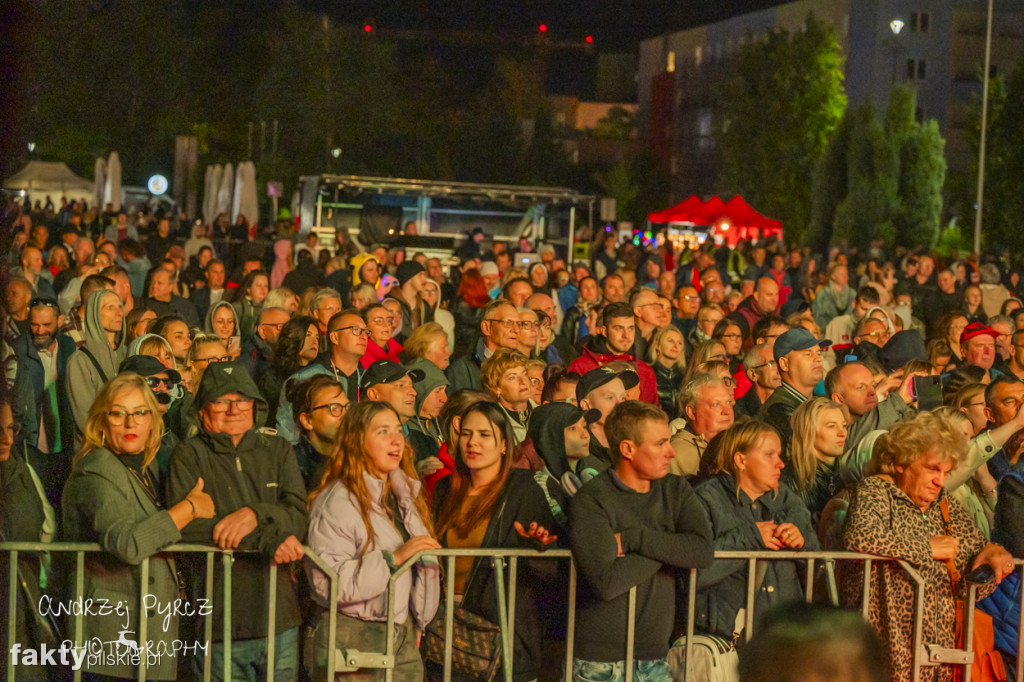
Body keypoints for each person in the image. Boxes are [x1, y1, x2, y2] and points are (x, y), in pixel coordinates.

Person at [61, 373, 215, 680]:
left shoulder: (148, 467)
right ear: (101, 421)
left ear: (152, 418)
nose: (130, 423)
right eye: (118, 413)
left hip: (148, 635)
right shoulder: (97, 469)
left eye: (140, 412)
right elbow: (128, 543)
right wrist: (189, 509)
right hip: (112, 643)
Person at [842, 410, 1014, 682]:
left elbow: (972, 580)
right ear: (901, 462)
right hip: (884, 640)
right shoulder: (876, 490)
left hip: (939, 648)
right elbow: (860, 536)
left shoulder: (944, 504)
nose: (940, 481)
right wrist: (927, 549)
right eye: (933, 468)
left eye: (946, 472)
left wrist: (992, 558)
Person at [167, 361, 308, 682]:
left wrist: (256, 514)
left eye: (242, 399)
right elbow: (187, 527)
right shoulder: (188, 456)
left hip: (279, 619)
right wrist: (268, 539)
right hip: (219, 624)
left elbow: (299, 516)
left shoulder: (278, 450)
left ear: (255, 405)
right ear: (202, 411)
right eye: (221, 401)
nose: (234, 409)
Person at [570, 400, 713, 682]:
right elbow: (607, 582)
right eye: (660, 444)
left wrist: (636, 539)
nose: (671, 452)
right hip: (599, 662)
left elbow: (701, 551)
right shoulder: (591, 498)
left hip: (654, 656)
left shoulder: (675, 489)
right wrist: (671, 545)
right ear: (627, 449)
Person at [305, 401, 441, 681]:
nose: (396, 440)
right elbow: (327, 582)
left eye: (397, 430)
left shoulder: (405, 495)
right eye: (382, 431)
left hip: (402, 635)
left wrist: (416, 622)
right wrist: (394, 559)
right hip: (353, 637)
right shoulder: (337, 502)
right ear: (357, 440)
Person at [433, 401, 560, 682]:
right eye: (466, 434)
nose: (472, 442)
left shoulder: (522, 488)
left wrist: (536, 546)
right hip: (446, 628)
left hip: (502, 632)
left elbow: (549, 570)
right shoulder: (445, 488)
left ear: (504, 444)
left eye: (484, 434)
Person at [693, 420, 819, 639]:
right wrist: (750, 538)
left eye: (779, 455)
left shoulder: (789, 500)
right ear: (741, 460)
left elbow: (818, 571)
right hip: (729, 637)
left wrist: (803, 545)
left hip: (785, 634)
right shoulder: (706, 499)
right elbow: (696, 570)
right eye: (769, 455)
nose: (780, 464)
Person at [13, 296, 77, 504]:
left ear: (59, 321)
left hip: (65, 446)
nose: (40, 331)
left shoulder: (69, 347)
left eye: (46, 325)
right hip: (32, 447)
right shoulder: (17, 351)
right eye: (35, 324)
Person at [275, 310, 369, 444]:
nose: (364, 336)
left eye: (366, 332)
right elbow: (288, 437)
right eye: (355, 330)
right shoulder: (305, 378)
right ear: (335, 337)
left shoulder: (370, 380)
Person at [567, 302, 659, 404]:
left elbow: (651, 414)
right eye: (618, 328)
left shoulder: (645, 372)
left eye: (630, 328)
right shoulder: (580, 367)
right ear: (604, 331)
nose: (626, 335)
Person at [66, 289, 127, 438]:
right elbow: (85, 419)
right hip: (97, 450)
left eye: (120, 307)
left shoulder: (128, 354)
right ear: (94, 314)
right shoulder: (80, 361)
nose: (119, 312)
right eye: (110, 307)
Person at [758, 328, 829, 454]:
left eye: (818, 353)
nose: (818, 359)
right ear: (784, 364)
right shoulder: (778, 410)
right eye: (808, 354)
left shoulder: (815, 400)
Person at [784, 397, 848, 524]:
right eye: (831, 426)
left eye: (844, 425)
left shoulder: (851, 473)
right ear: (808, 431)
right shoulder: (788, 482)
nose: (842, 433)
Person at [257, 315, 319, 427]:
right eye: (308, 335)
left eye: (317, 337)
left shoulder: (320, 374)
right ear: (295, 337)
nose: (315, 341)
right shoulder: (273, 376)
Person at [447, 299, 520, 392]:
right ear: (486, 327)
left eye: (519, 324)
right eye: (508, 323)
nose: (516, 329)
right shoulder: (462, 370)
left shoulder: (522, 365)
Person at [670, 373, 735, 478]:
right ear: (691, 412)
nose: (727, 411)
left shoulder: (740, 443)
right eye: (716, 404)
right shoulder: (676, 454)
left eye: (728, 402)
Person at [577, 366, 639, 475]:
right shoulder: (578, 454)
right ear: (586, 405)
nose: (620, 405)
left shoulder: (633, 442)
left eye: (622, 398)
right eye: (610, 398)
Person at [481, 348, 534, 443]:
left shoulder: (544, 414)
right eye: (512, 377)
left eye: (524, 374)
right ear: (496, 387)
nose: (523, 381)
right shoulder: (492, 422)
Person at [406, 357, 449, 463]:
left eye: (444, 390)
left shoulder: (443, 423)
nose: (444, 399)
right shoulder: (404, 432)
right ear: (419, 392)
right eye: (438, 391)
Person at [240, 306, 289, 379]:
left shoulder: (283, 350)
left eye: (289, 327)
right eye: (280, 327)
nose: (287, 332)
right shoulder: (250, 356)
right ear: (262, 331)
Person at [648, 325, 686, 420]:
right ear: (657, 345)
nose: (675, 345)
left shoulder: (685, 377)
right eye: (670, 341)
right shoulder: (648, 374)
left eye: (679, 343)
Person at [735, 342, 781, 418]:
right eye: (771, 364)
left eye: (779, 363)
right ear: (753, 374)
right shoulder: (739, 410)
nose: (779, 369)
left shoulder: (789, 405)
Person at [361, 302, 403, 368]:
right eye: (379, 321)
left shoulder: (395, 351)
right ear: (365, 327)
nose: (386, 325)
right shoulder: (360, 354)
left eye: (388, 320)